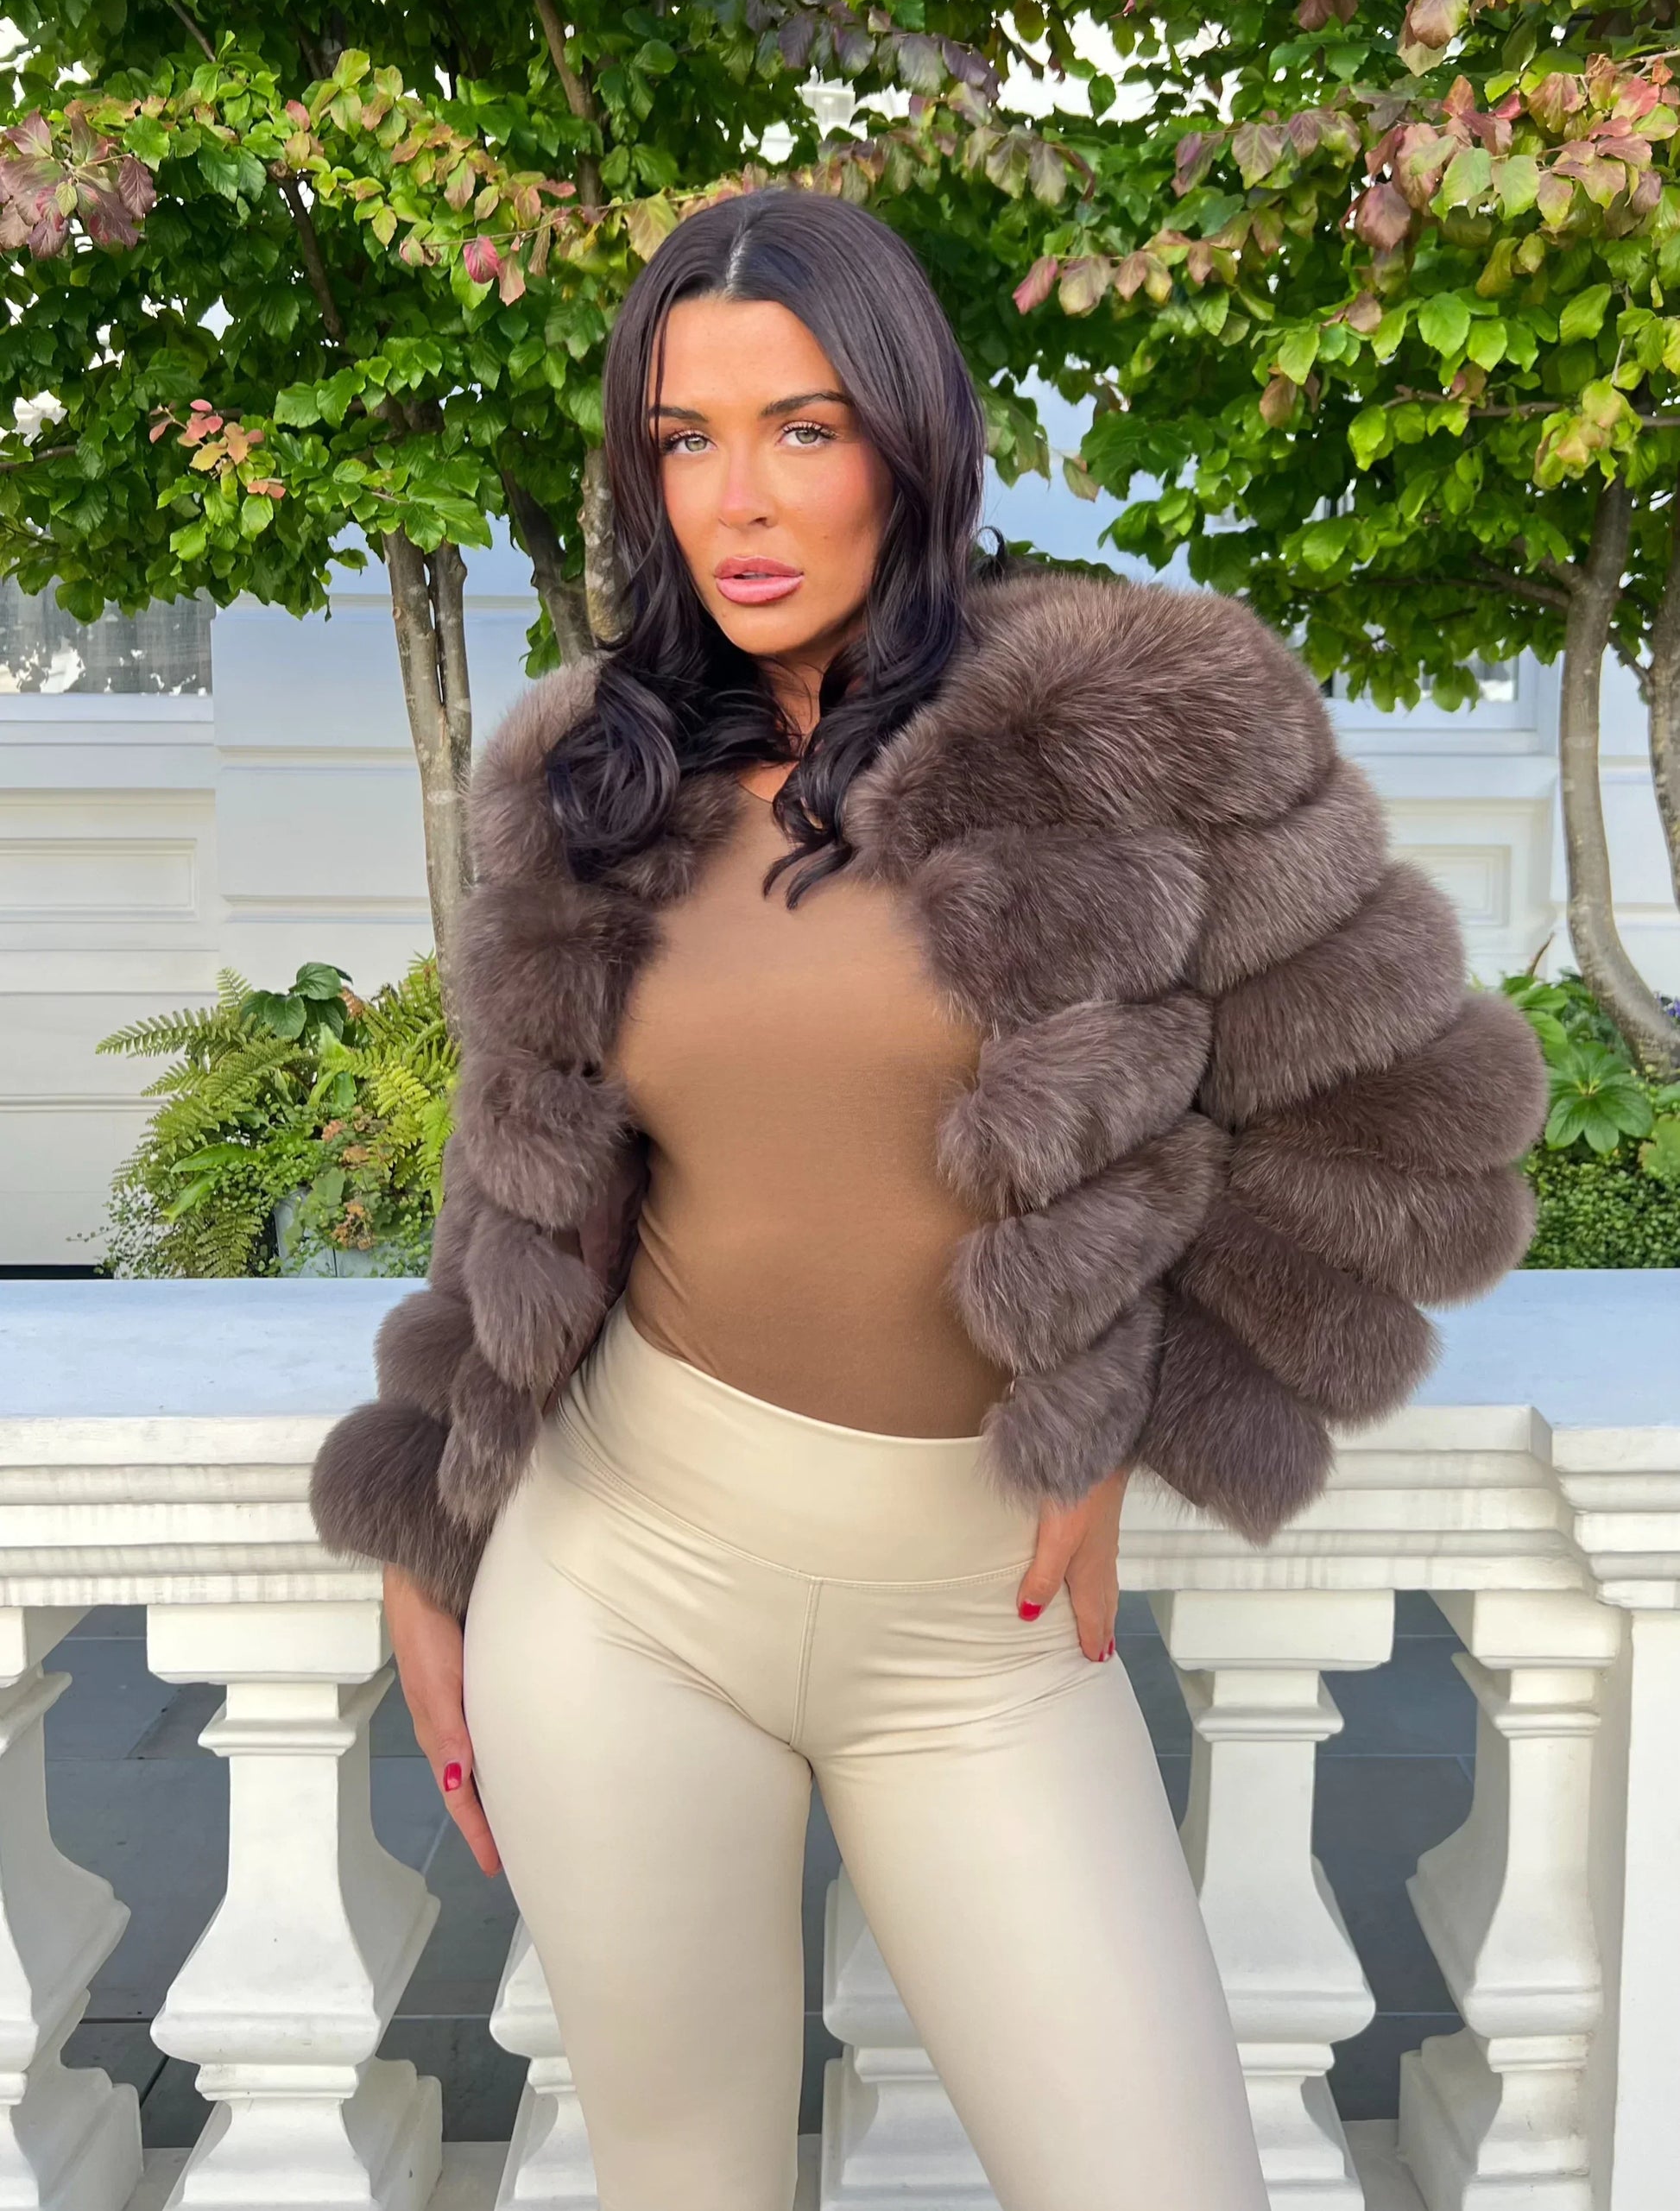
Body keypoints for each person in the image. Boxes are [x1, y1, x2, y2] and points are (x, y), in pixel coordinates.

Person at [311, 185, 1549, 2211]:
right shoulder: (586, 775)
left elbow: (1418, 1137)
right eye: (683, 439)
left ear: (908, 436)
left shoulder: (1140, 726)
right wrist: (431, 1532)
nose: (736, 500)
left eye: (801, 428)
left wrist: (1137, 1394)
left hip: (980, 1626)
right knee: (687, 2184)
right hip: (621, 1587)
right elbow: (516, 1192)